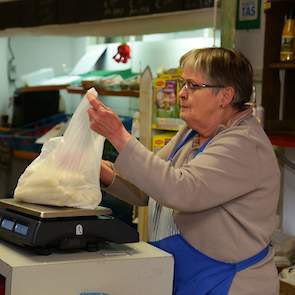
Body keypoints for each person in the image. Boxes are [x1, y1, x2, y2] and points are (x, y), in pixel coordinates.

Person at [87, 47, 280, 295]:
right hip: (189, 278)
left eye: (192, 85)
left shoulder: (244, 144)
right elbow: (151, 187)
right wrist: (104, 173)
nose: (182, 94)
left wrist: (118, 135)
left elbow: (181, 190)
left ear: (225, 95)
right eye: (182, 84)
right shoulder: (189, 135)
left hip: (230, 283)